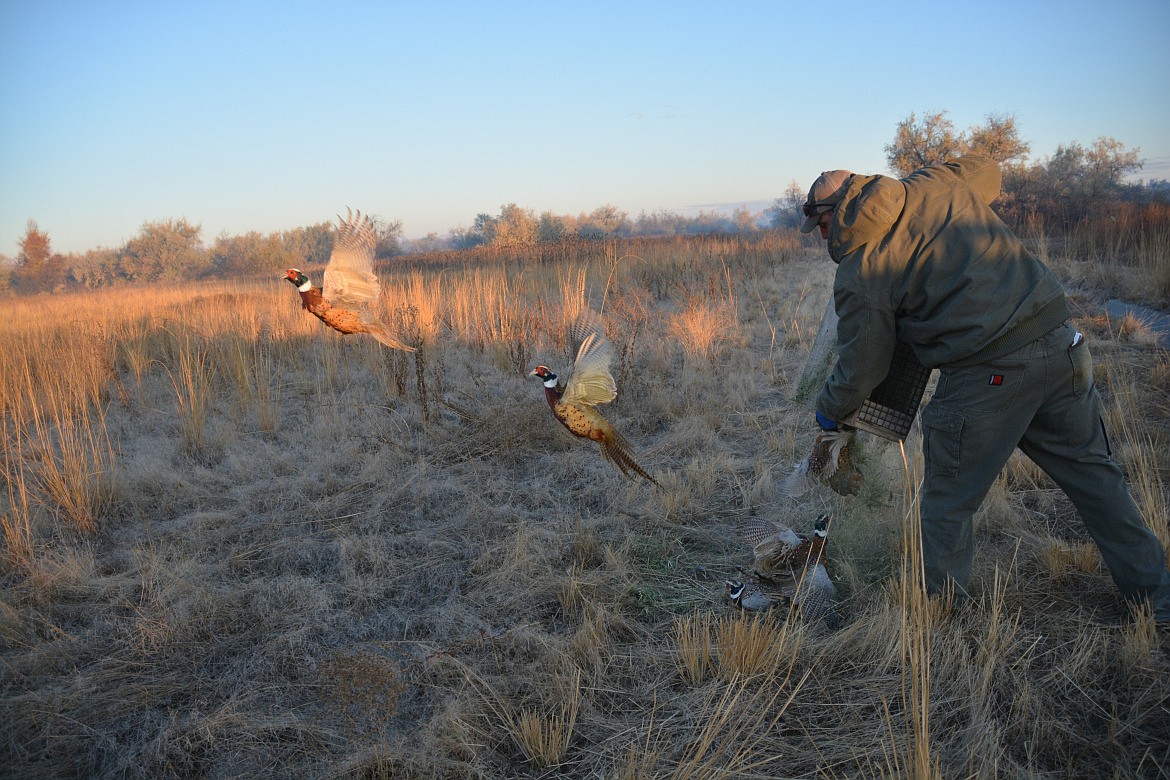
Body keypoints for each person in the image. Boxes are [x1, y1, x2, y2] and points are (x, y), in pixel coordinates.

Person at [800, 155, 1170, 623]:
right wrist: (947, 179)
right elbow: (988, 172)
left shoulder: (861, 269)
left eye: (821, 225)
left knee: (946, 504)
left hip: (987, 377)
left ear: (832, 215)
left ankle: (943, 619)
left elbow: (863, 365)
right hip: (1062, 346)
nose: (821, 237)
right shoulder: (932, 183)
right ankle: (1156, 598)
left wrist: (829, 410)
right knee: (1098, 479)